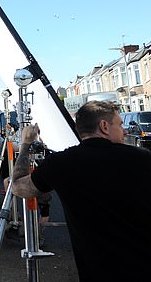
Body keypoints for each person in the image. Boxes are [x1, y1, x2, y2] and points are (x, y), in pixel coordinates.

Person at [12, 100, 151, 281]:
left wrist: (25, 143)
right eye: (120, 124)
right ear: (104, 126)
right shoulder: (143, 159)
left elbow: (18, 187)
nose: (124, 130)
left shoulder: (61, 164)